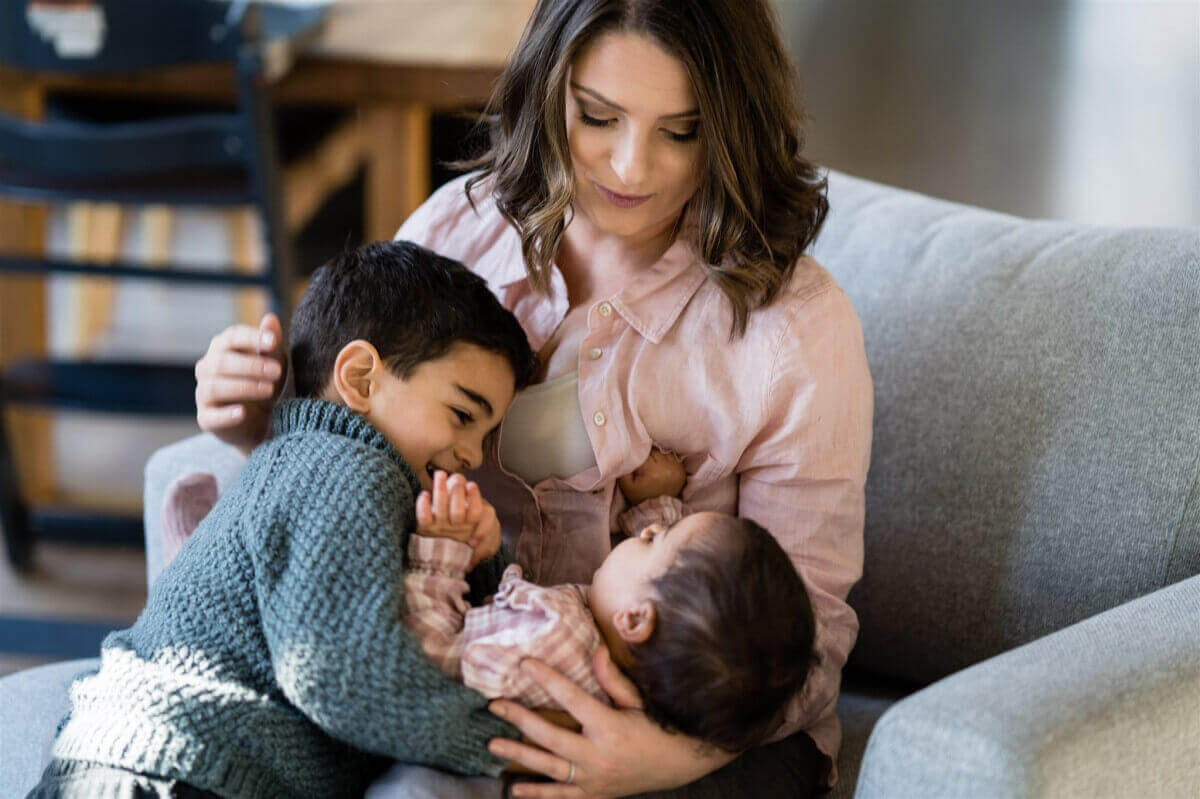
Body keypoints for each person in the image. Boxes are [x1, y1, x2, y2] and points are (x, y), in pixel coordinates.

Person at [193, 0, 873, 795]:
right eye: (597, 117)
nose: (630, 168)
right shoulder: (458, 235)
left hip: (711, 731)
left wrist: (666, 756)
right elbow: (346, 464)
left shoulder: (793, 331)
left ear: (731, 128)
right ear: (549, 94)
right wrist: (259, 424)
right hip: (465, 676)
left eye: (680, 131)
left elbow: (810, 636)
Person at [28, 241, 537, 798]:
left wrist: (481, 558)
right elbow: (342, 679)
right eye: (462, 416)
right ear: (361, 379)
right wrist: (514, 743)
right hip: (168, 770)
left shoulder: (334, 471)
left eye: (486, 438)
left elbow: (431, 609)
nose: (471, 456)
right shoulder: (340, 469)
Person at [405, 470, 816, 761]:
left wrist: (438, 557)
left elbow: (431, 657)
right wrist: (656, 504)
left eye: (655, 537)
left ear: (634, 621)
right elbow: (667, 579)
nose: (646, 531)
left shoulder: (551, 637)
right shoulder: (631, 664)